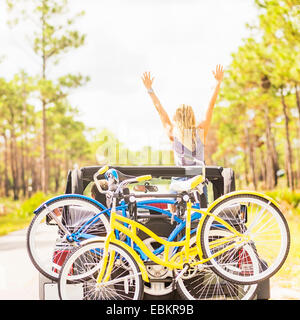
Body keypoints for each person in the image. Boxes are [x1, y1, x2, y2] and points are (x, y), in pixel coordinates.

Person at [141, 65, 224, 208]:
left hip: (178, 182)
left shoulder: (173, 133)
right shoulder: (200, 131)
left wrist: (150, 90)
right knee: (200, 216)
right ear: (192, 116)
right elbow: (210, 107)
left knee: (173, 215)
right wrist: (217, 84)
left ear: (176, 118)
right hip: (197, 181)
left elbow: (160, 110)